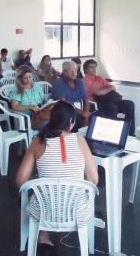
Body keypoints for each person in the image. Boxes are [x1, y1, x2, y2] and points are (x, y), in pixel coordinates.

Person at [16, 100, 98, 252]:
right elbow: (93, 179)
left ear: (52, 119)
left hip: (44, 211)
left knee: (38, 190)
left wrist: (38, 180)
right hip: (77, 211)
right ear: (71, 122)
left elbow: (21, 181)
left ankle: (42, 237)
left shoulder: (37, 142)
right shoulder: (80, 141)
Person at [82, 59, 136, 134]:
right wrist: (107, 89)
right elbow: (98, 93)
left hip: (108, 100)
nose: (94, 69)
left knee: (129, 104)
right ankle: (112, 133)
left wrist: (105, 89)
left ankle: (129, 132)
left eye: (95, 67)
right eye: (91, 67)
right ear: (86, 69)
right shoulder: (85, 80)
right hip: (96, 104)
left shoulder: (99, 78)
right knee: (112, 107)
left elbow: (113, 87)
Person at [51, 61, 89, 129]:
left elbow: (85, 99)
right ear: (64, 72)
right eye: (71, 70)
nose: (74, 72)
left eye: (75, 70)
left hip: (79, 111)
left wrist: (86, 113)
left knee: (96, 116)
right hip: (65, 113)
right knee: (79, 119)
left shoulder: (79, 82)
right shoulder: (58, 84)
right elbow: (64, 103)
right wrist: (81, 112)